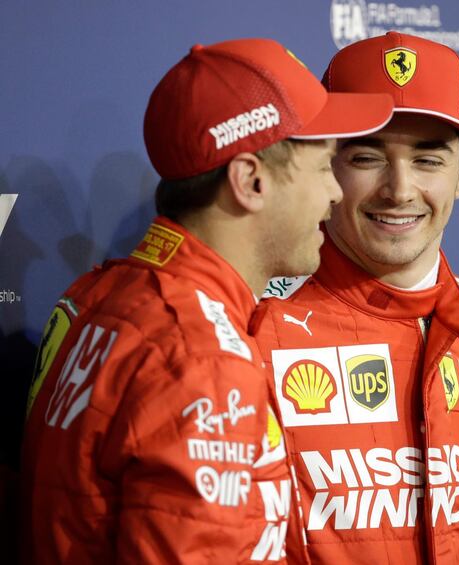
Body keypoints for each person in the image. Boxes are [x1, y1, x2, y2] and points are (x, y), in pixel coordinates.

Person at [21, 38, 392, 564]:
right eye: (322, 166)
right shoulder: (201, 357)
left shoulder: (96, 294)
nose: (336, 193)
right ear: (250, 180)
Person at [251, 32, 459, 564]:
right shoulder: (259, 323)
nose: (399, 189)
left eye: (428, 160)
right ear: (326, 165)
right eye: (368, 156)